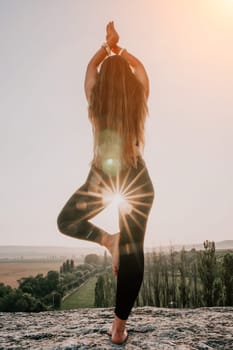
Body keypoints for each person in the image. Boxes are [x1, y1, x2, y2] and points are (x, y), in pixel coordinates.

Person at [57, 21, 154, 345]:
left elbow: (89, 68)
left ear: (102, 85)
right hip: (136, 182)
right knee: (133, 253)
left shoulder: (95, 102)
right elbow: (139, 69)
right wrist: (120, 50)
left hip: (102, 178)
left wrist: (105, 47)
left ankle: (107, 242)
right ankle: (119, 328)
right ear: (128, 82)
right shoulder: (139, 98)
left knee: (66, 221)